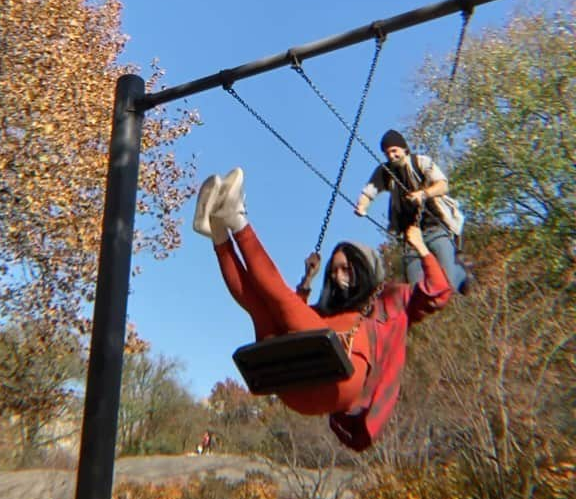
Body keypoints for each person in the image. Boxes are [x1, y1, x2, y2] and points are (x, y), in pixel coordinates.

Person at [193, 167, 452, 452]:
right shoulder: (325, 312)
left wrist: (421, 247)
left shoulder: (388, 300)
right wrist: (306, 282)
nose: (338, 275)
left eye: (347, 269)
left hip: (340, 383)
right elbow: (291, 316)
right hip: (296, 387)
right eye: (334, 270)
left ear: (364, 271)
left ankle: (238, 221)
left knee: (280, 303)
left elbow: (438, 291)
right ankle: (218, 231)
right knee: (262, 310)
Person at [354, 129, 469, 294]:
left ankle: (463, 277)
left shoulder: (420, 162)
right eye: (387, 153)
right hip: (409, 234)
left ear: (404, 149)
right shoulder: (385, 172)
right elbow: (370, 190)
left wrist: (423, 194)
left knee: (449, 277)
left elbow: (443, 184)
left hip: (435, 226)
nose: (392, 156)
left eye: (394, 151)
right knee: (416, 287)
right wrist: (362, 206)